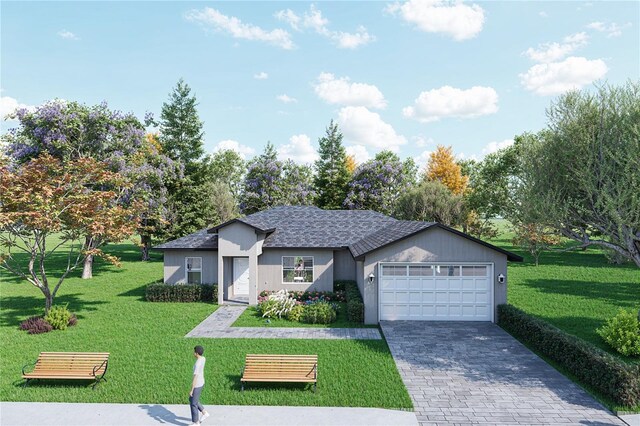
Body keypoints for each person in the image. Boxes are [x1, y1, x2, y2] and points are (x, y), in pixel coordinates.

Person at [189, 345, 209, 425]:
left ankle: (196, 422)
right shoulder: (203, 358)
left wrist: (192, 390)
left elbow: (195, 377)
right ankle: (204, 413)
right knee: (193, 400)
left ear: (197, 353)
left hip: (197, 384)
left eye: (194, 352)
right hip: (202, 382)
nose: (193, 353)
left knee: (193, 403)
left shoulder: (197, 364)